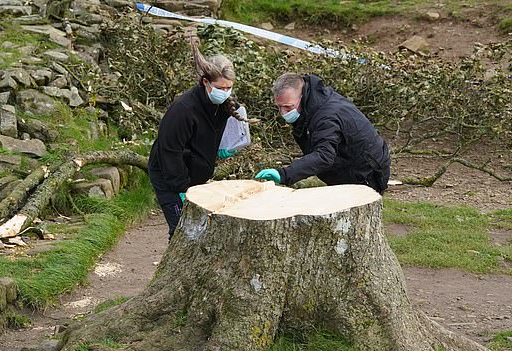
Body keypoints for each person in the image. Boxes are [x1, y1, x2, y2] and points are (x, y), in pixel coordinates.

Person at [148, 44, 246, 239]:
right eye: (220, 88)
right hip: (170, 175)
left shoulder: (223, 105)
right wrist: (181, 189)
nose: (225, 92)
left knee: (201, 228)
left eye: (229, 87)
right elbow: (170, 151)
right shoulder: (183, 110)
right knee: (181, 231)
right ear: (205, 82)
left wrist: (222, 148)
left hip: (196, 173)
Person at [255, 73, 390, 194]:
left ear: (301, 96)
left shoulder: (326, 117)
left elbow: (324, 155)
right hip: (345, 165)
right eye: (279, 107)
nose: (283, 113)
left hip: (367, 172)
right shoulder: (312, 103)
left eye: (288, 107)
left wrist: (285, 174)